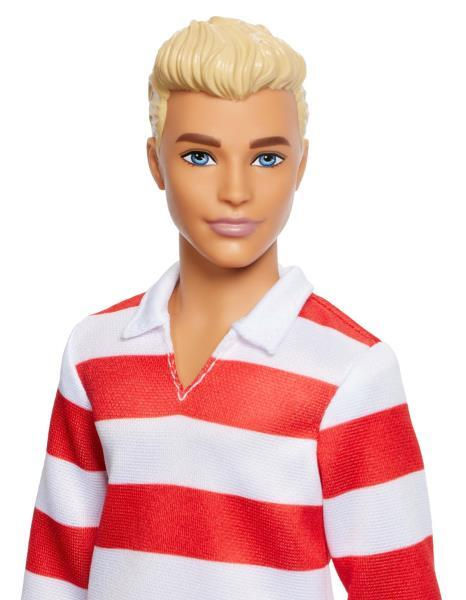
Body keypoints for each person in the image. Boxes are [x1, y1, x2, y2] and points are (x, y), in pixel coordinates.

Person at [20, 15, 442, 600]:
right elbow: (57, 570)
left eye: (267, 158)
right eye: (200, 156)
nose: (236, 191)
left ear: (301, 165)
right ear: (155, 163)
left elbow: (398, 584)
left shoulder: (350, 369)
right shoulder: (95, 350)